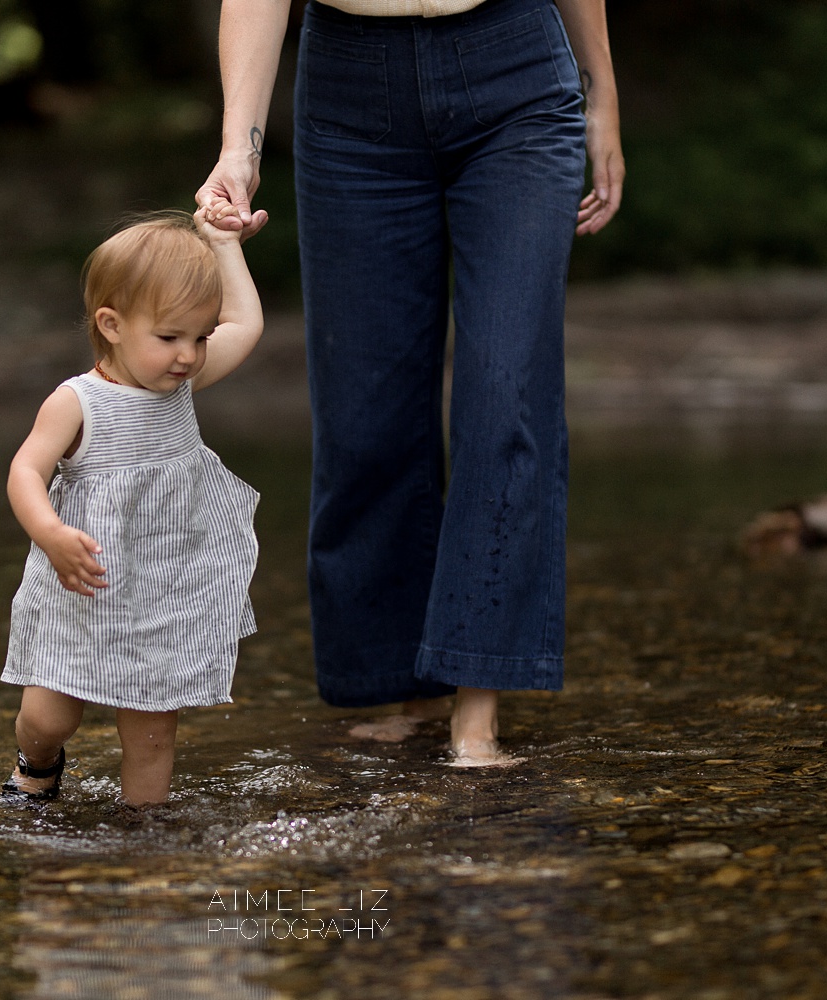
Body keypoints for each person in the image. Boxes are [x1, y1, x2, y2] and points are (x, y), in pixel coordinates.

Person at [197, 0, 624, 765]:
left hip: (516, 74)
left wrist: (603, 98)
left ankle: (476, 705)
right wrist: (239, 147)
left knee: (505, 398)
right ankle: (406, 684)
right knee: (366, 419)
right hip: (349, 94)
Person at [0, 207, 268, 805]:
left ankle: (145, 838)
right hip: (85, 587)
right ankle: (35, 767)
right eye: (170, 337)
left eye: (199, 337)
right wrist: (50, 533)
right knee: (50, 718)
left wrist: (222, 243)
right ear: (112, 325)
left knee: (151, 733)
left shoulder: (180, 385)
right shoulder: (78, 402)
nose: (189, 355)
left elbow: (245, 323)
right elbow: (25, 470)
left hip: (163, 591)